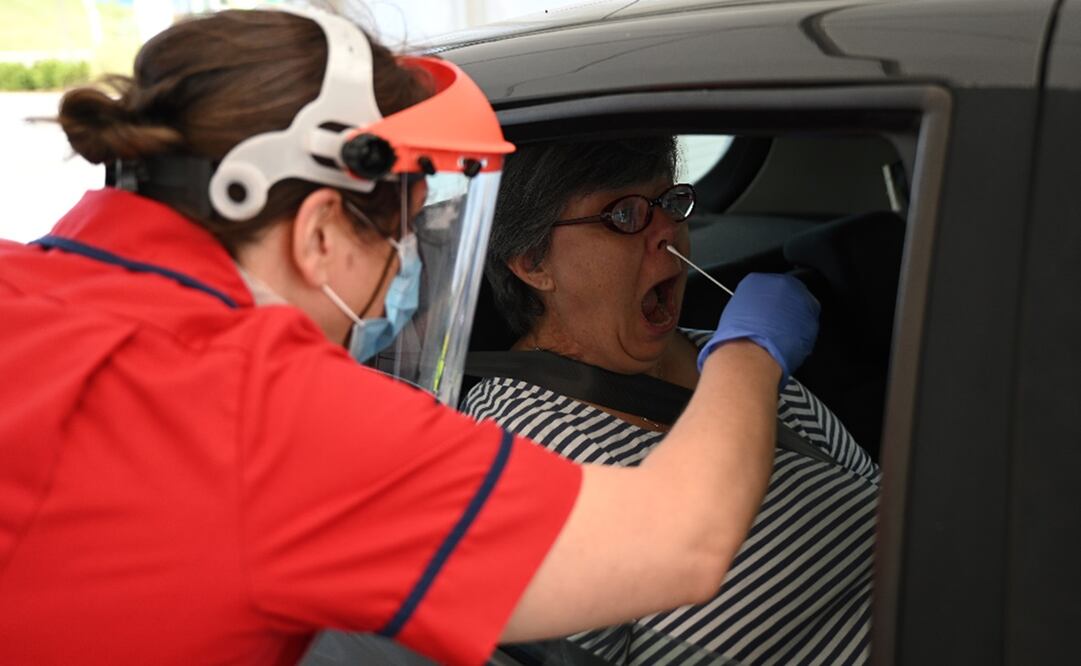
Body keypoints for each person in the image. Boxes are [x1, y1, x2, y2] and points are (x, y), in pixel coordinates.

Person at [0, 8, 820, 666]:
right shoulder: (269, 413)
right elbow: (679, 545)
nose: (403, 275)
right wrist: (751, 349)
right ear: (321, 232)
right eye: (400, 237)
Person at [463, 137, 880, 664]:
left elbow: (885, 506)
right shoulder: (512, 449)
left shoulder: (720, 354)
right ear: (533, 263)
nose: (668, 231)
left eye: (671, 202)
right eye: (624, 215)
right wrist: (749, 362)